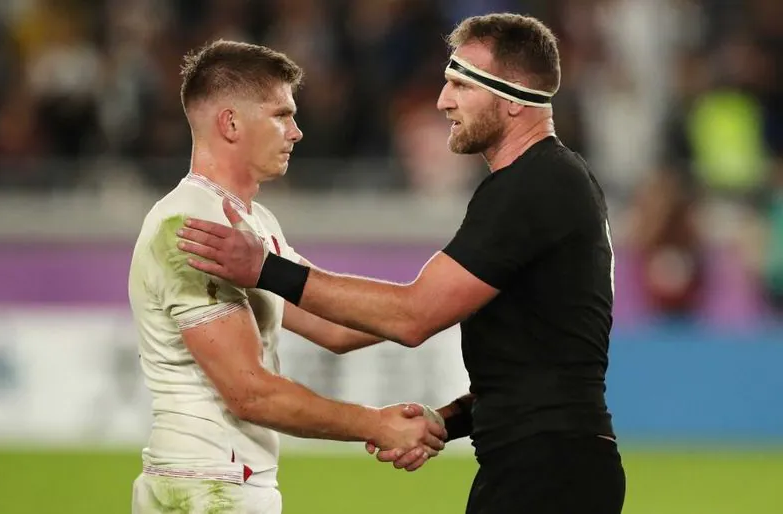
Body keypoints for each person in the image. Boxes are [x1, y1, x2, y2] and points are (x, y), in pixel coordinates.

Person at [178, 13, 627, 514]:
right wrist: (446, 421)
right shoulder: (548, 182)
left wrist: (266, 269)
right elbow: (537, 369)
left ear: (513, 96)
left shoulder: (533, 186)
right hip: (547, 467)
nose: (443, 101)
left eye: (460, 83)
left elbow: (413, 316)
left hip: (549, 475)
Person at [127, 40, 446, 514]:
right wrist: (374, 423)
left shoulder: (254, 226)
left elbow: (333, 325)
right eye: (281, 115)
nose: (296, 132)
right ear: (231, 123)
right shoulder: (189, 227)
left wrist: (449, 303)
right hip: (201, 489)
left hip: (230, 485)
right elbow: (249, 392)